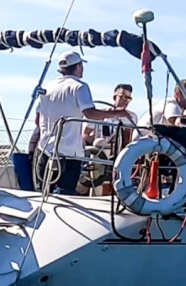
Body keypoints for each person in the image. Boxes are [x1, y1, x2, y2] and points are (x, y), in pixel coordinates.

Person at [35, 50, 131, 195]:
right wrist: (118, 113)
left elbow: (37, 120)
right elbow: (90, 114)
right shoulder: (79, 87)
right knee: (65, 196)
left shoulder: (47, 87)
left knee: (42, 193)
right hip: (69, 154)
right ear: (78, 66)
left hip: (44, 150)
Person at [83, 84, 139, 148]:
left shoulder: (132, 117)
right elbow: (85, 134)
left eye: (128, 98)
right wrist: (94, 142)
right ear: (114, 97)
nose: (126, 101)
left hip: (121, 150)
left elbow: (133, 138)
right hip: (99, 150)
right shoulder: (98, 114)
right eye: (123, 97)